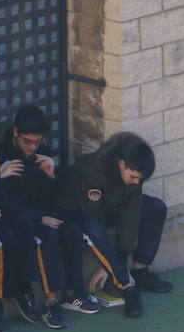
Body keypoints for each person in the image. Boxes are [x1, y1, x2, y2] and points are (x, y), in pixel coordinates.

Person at [56, 131, 173, 319]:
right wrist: (109, 262)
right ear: (121, 164)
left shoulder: (134, 175)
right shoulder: (92, 171)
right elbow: (94, 220)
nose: (136, 182)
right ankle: (126, 286)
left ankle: (140, 271)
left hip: (111, 209)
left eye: (140, 180)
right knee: (92, 227)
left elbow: (131, 216)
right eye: (133, 177)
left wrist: (120, 256)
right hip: (80, 212)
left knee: (155, 208)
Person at [0, 104, 76, 328]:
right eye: (27, 141)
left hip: (36, 214)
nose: (33, 146)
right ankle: (21, 290)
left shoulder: (42, 154)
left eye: (37, 141)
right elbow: (2, 203)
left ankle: (55, 302)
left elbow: (50, 201)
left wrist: (52, 177)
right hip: (12, 219)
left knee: (59, 232)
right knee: (36, 234)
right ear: (16, 133)